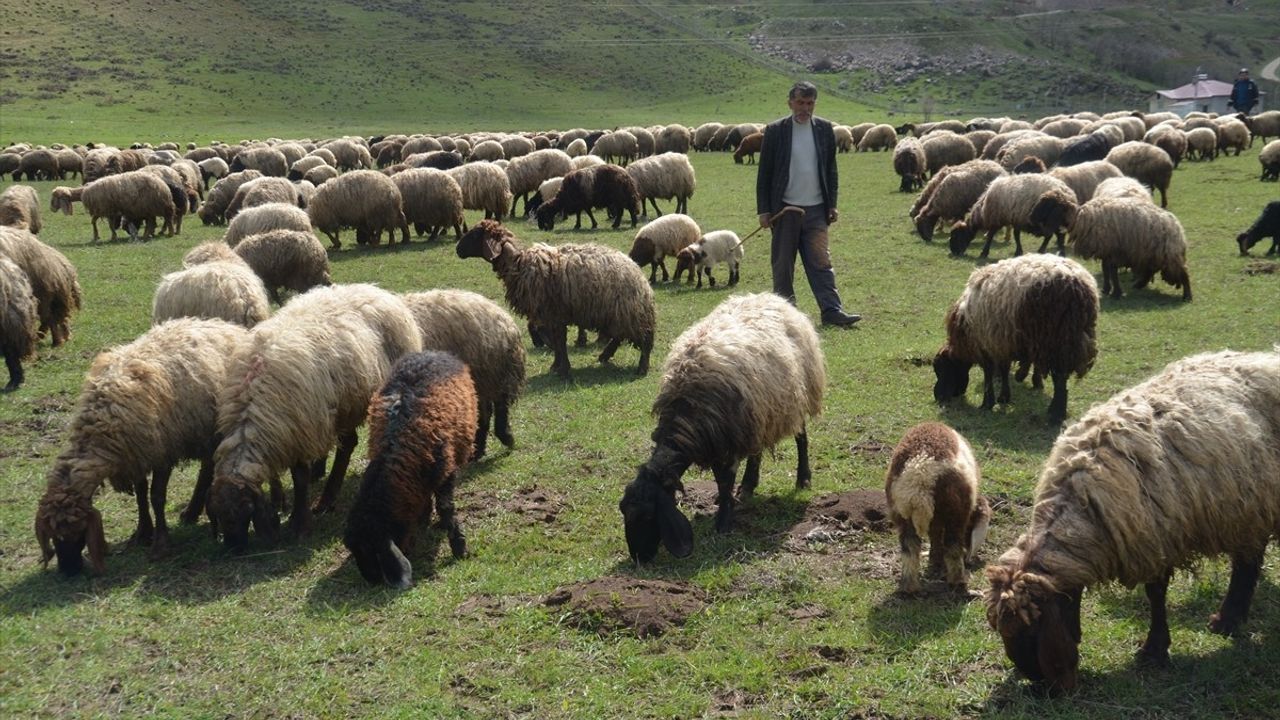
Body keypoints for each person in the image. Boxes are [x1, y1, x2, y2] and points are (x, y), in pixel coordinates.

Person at [756, 81, 861, 327]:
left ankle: (832, 311)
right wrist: (764, 210)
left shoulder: (824, 129)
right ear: (790, 103)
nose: (805, 108)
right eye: (800, 102)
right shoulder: (775, 131)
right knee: (783, 265)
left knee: (821, 263)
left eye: (810, 103)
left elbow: (830, 169)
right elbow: (765, 173)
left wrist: (831, 204)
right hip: (785, 209)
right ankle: (786, 316)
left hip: (816, 210)